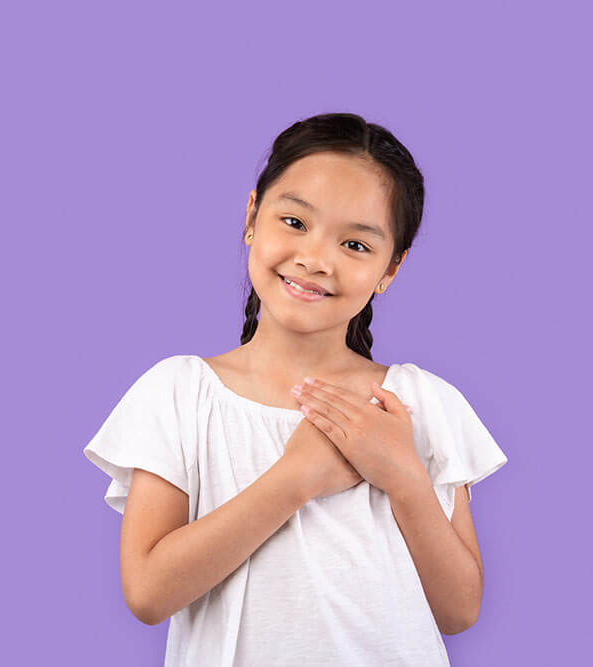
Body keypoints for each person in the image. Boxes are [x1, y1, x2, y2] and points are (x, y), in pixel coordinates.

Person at [82, 112, 509, 666]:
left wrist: (403, 476)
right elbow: (148, 592)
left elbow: (458, 610)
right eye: (295, 222)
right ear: (252, 215)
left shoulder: (419, 403)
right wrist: (297, 477)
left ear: (391, 269)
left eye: (356, 245)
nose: (315, 259)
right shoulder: (182, 393)